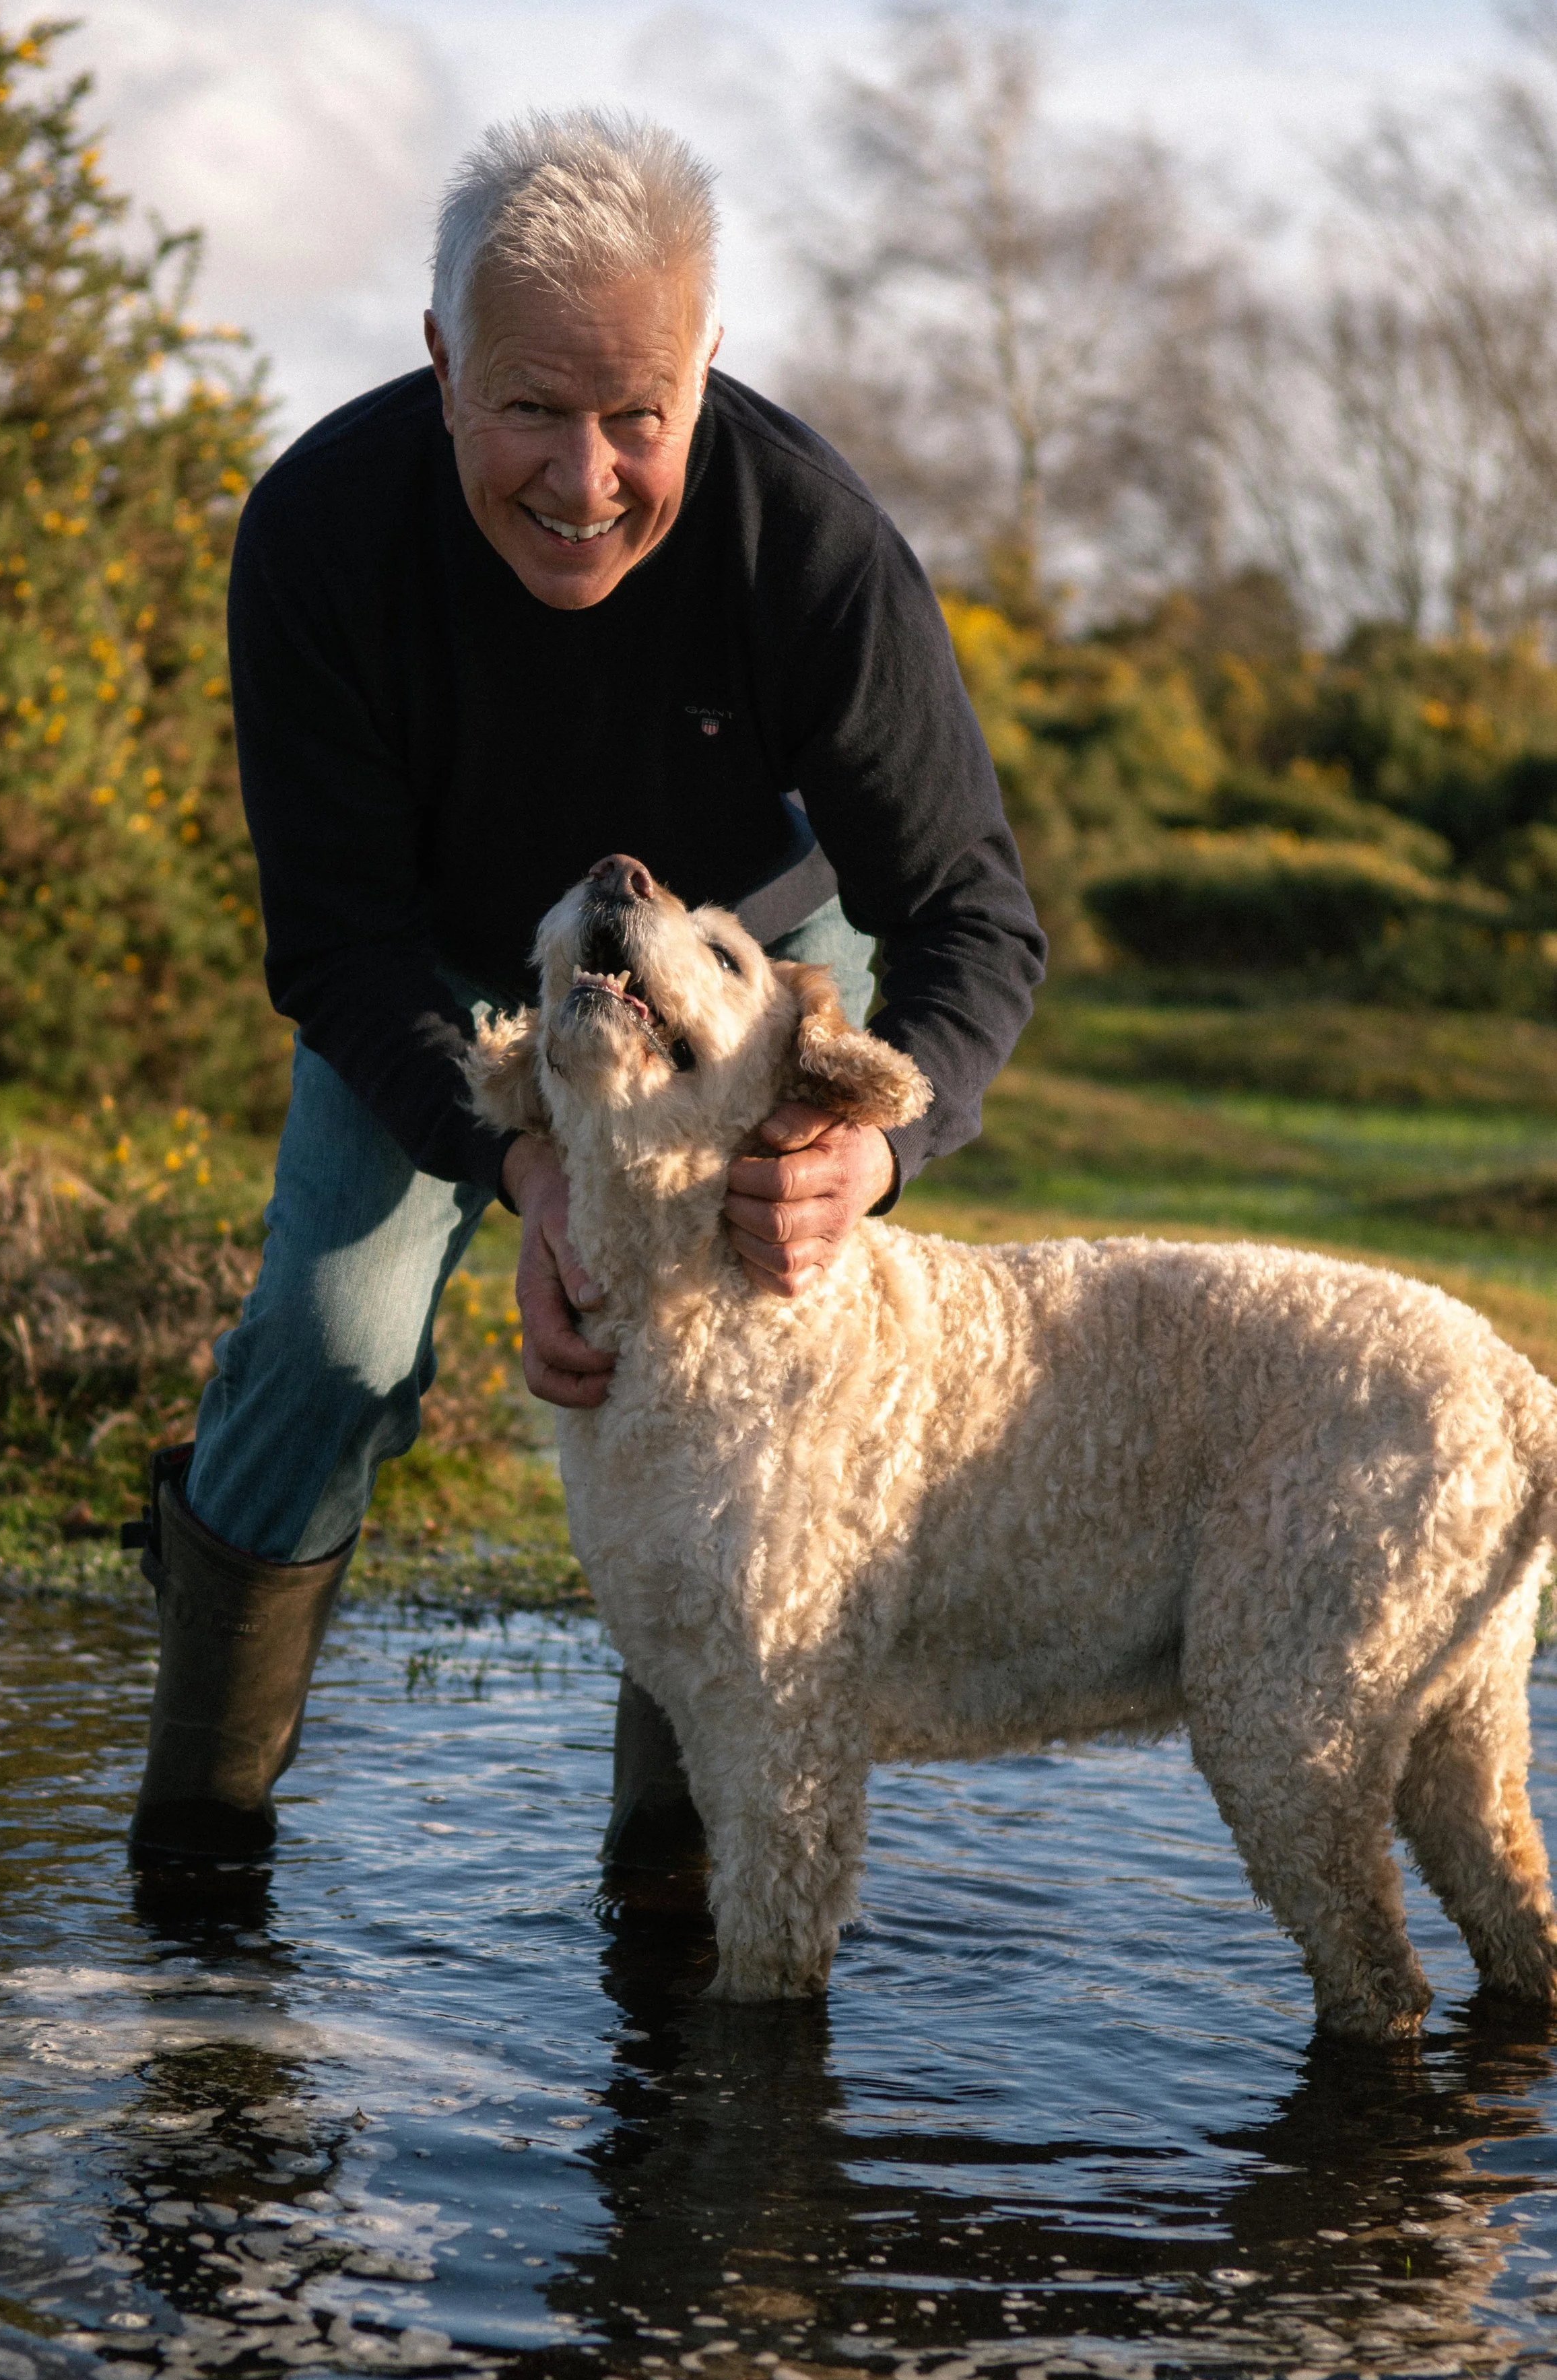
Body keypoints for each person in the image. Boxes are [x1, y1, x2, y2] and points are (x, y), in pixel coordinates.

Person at [126, 108, 1046, 1878]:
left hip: (743, 968)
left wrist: (874, 1158)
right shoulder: (317, 532)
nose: (588, 475)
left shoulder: (812, 545)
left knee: (729, 1365)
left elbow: (965, 917)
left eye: (641, 414)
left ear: (705, 366)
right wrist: (527, 1170)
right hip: (449, 975)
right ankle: (194, 1853)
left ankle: (676, 1887)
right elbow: (332, 936)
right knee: (333, 1345)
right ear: (438, 361)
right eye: (532, 408)